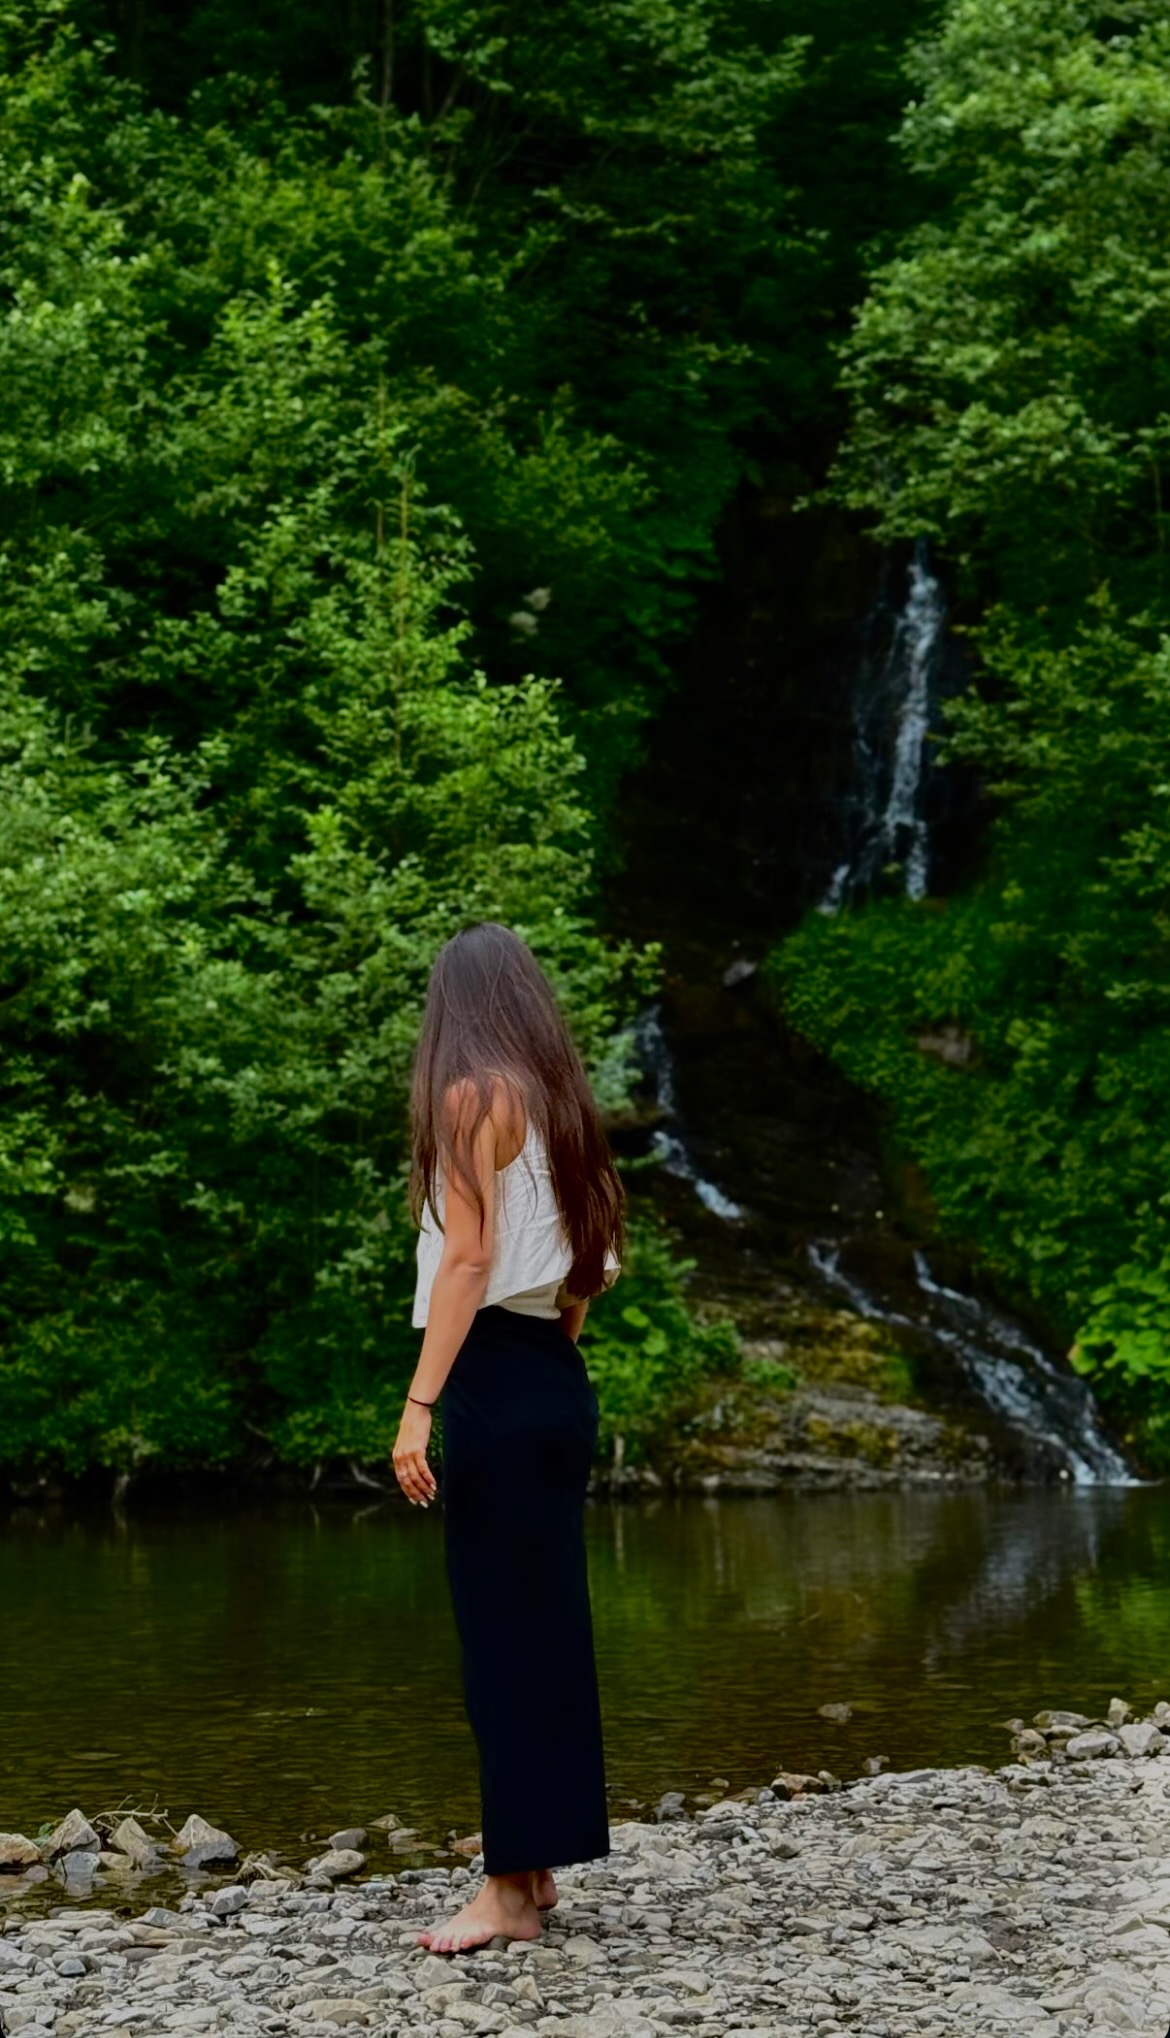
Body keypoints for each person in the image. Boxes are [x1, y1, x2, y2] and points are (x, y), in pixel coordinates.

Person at [393, 921, 623, 1954]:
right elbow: (591, 1271)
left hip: (491, 1374)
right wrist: (549, 1364)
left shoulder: (468, 1098)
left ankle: (509, 1897)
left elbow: (467, 1261)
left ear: (456, 1005)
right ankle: (533, 1860)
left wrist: (420, 1402)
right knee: (545, 1632)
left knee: (499, 1640)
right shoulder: (565, 1106)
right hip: (554, 1377)